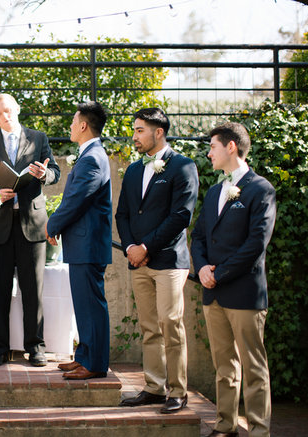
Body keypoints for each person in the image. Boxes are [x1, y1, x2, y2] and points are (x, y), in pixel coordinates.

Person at [191, 122, 276, 437]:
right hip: (212, 294)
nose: (209, 152)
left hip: (243, 293)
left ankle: (258, 430)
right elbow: (199, 236)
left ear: (231, 147)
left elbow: (256, 243)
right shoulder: (214, 190)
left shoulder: (261, 189)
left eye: (213, 146)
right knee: (224, 366)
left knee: (254, 368)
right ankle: (225, 425)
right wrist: (201, 269)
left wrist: (219, 273)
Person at [115, 108, 199, 413]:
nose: (134, 136)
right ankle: (153, 387)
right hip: (138, 262)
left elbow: (181, 216)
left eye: (140, 130)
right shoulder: (135, 170)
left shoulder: (183, 167)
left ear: (158, 132)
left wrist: (147, 246)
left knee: (170, 324)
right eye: (135, 130)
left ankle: (178, 391)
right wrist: (130, 248)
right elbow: (122, 213)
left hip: (169, 261)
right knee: (149, 327)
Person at [0, 93, 60, 367]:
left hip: (32, 225)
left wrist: (44, 175)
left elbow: (54, 171)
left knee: (33, 290)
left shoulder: (39, 138)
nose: (5, 116)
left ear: (17, 109)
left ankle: (36, 346)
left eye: (8, 111)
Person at [46, 101, 112, 380]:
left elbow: (76, 200)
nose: (70, 127)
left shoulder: (93, 158)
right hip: (82, 244)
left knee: (91, 305)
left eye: (73, 122)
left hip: (88, 245)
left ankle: (95, 364)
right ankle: (84, 356)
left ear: (84, 125)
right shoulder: (90, 155)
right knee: (83, 305)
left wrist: (53, 223)